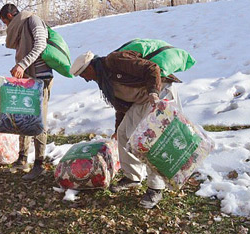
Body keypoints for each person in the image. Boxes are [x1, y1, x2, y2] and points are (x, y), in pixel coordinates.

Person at [70, 49, 182, 209]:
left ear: (89, 68)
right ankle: (133, 177)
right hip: (142, 99)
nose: (86, 80)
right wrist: (117, 129)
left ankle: (156, 188)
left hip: (158, 92)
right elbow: (122, 106)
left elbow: (152, 69)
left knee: (150, 140)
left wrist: (154, 93)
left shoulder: (115, 60)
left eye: (83, 75)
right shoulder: (105, 82)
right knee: (123, 134)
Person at [0, 3, 54, 181]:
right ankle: (22, 159)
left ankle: (39, 163)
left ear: (9, 17)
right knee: (24, 115)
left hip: (40, 77)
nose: (7, 28)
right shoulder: (20, 27)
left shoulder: (33, 20)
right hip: (28, 77)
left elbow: (40, 45)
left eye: (5, 23)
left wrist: (22, 64)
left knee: (38, 119)